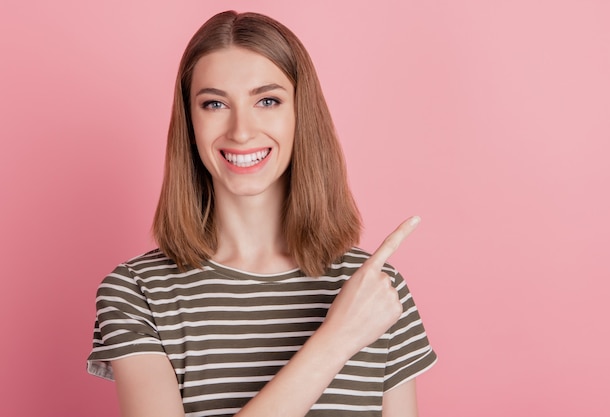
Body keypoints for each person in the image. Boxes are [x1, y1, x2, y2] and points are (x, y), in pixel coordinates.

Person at [87, 10, 436, 417]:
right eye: (214, 103)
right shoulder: (136, 292)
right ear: (190, 122)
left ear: (300, 114)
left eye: (267, 100)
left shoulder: (375, 291)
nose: (241, 130)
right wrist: (337, 339)